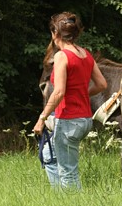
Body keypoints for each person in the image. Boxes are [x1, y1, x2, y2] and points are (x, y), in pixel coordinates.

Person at [33, 12, 107, 190]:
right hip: (84, 120)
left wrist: (41, 119)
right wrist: (82, 94)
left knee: (68, 171)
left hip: (68, 121)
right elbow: (102, 84)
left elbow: (58, 91)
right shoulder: (85, 54)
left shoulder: (62, 56)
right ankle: (61, 199)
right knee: (48, 156)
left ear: (54, 33)